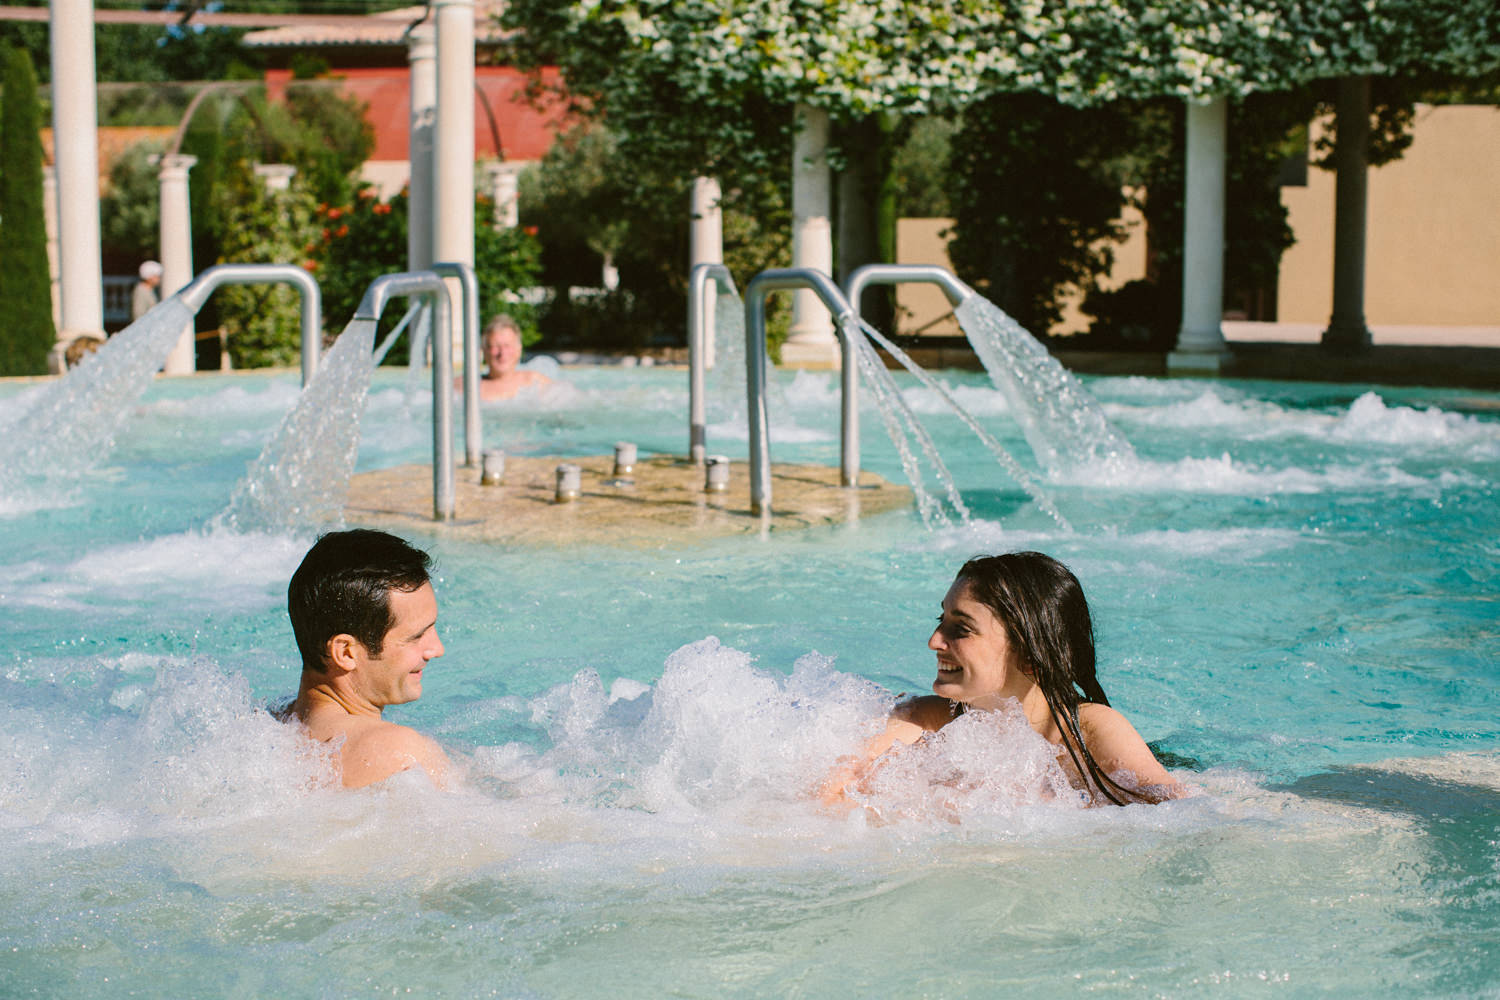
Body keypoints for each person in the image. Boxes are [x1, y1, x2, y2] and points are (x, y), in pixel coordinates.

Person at [824, 552, 1184, 808]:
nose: (934, 641)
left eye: (960, 628)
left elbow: (1185, 814)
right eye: (941, 619)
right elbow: (831, 798)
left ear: (1029, 656)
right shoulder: (924, 720)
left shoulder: (1086, 732)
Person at [282, 529, 451, 789]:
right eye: (416, 637)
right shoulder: (403, 754)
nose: (436, 649)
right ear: (346, 652)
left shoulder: (265, 731)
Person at [475, 314, 550, 400]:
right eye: (496, 346)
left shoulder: (537, 383)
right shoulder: (467, 386)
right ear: (484, 350)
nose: (502, 352)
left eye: (507, 345)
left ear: (519, 349)